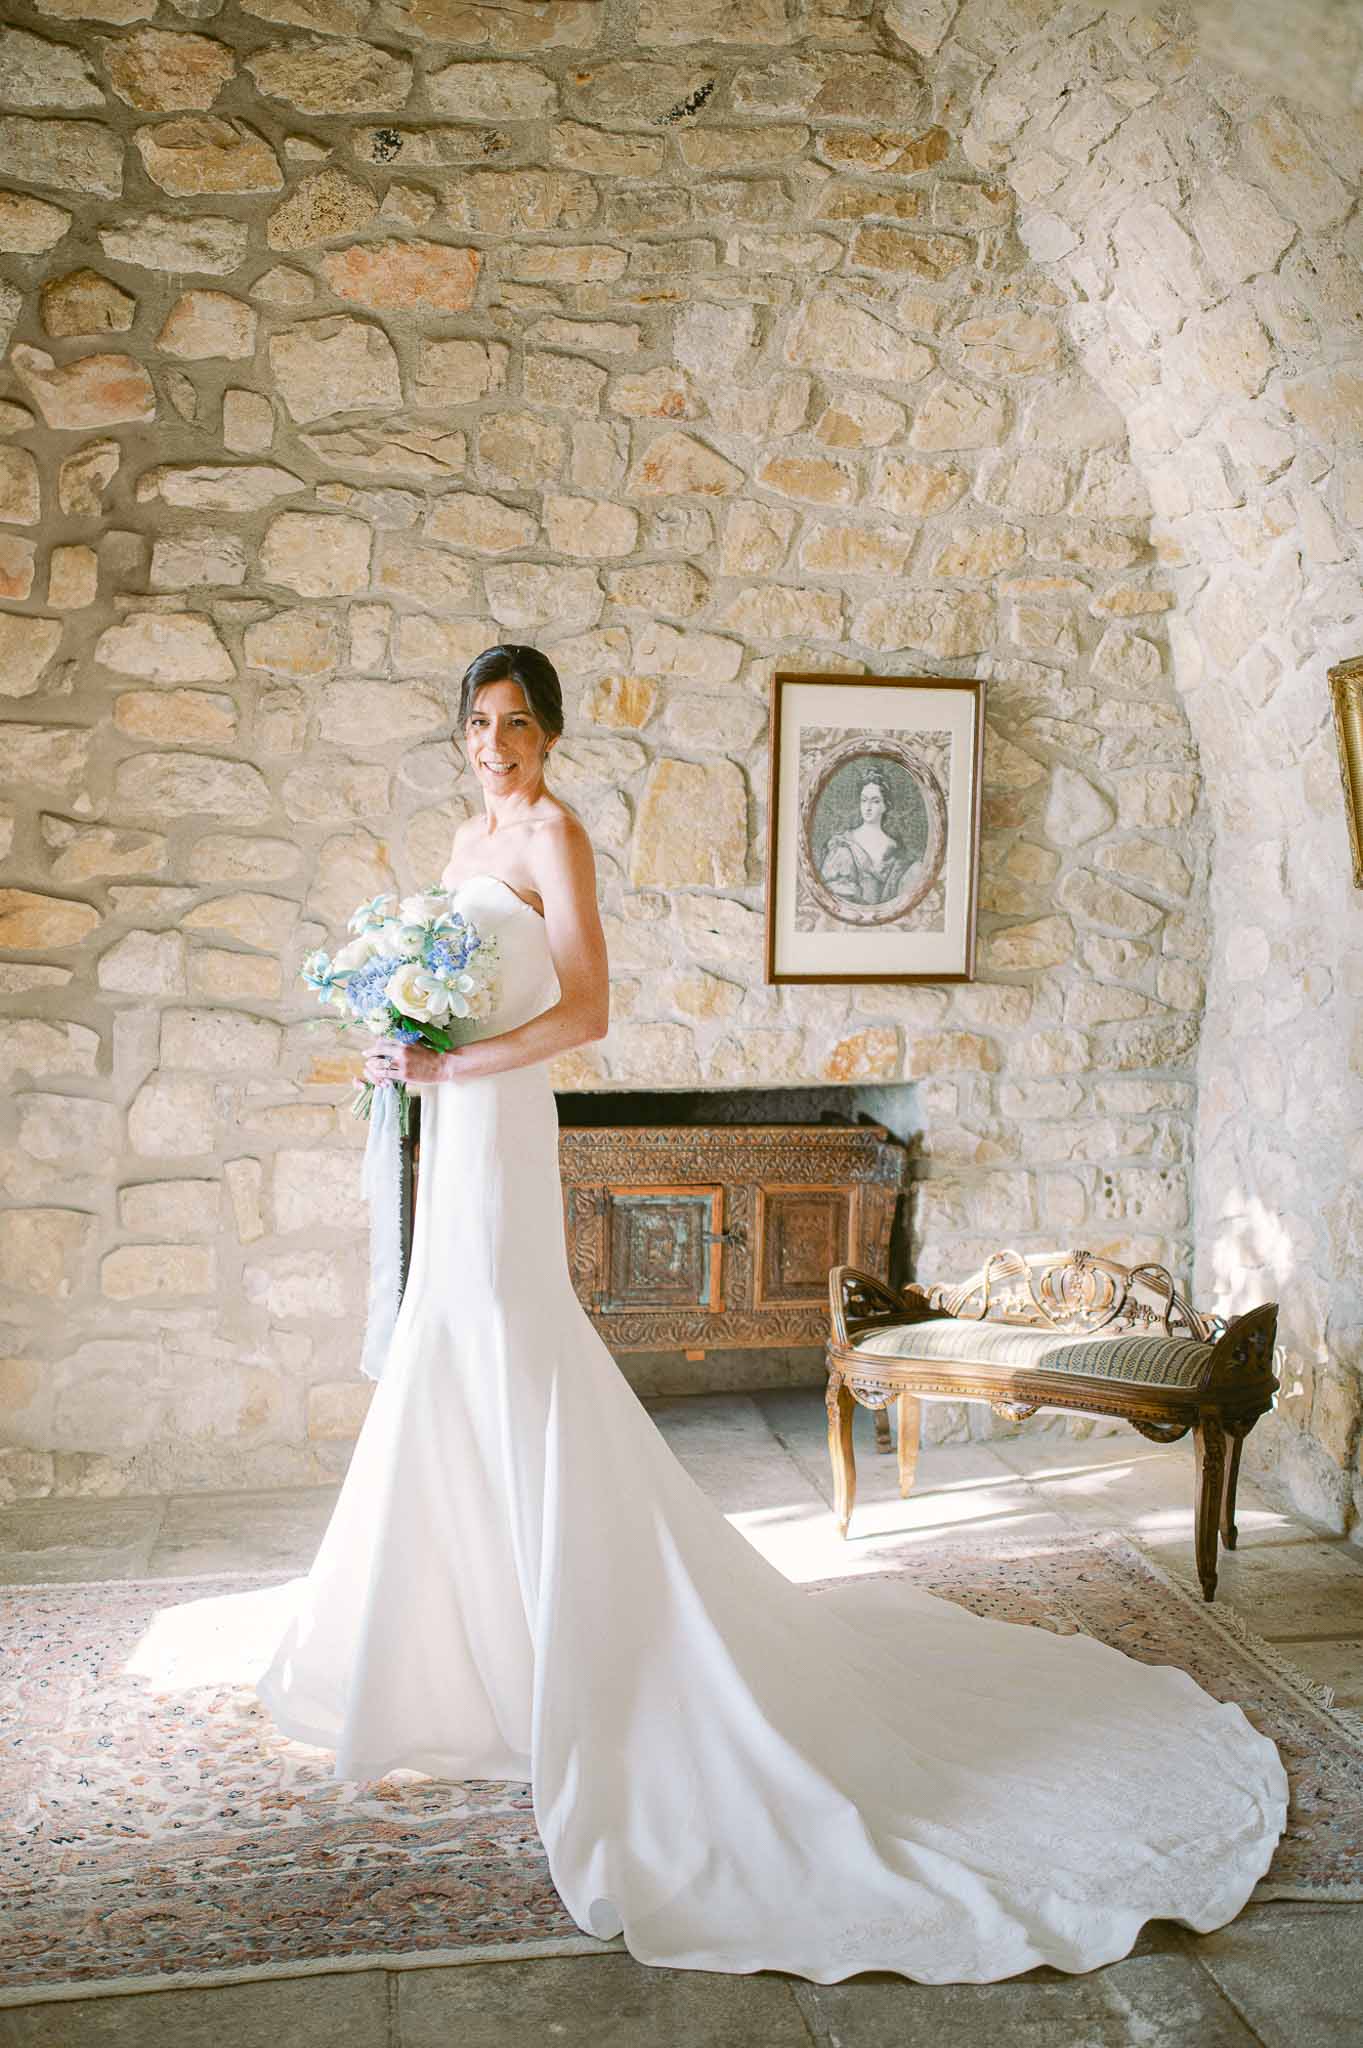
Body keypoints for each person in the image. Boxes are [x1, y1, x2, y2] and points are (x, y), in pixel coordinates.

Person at [255, 644, 1287, 1985]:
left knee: (511, 1337)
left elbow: (586, 1010)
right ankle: (464, 1651)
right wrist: (409, 1040)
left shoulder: (555, 834)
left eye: (514, 724)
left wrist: (459, 1055)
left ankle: (581, 1642)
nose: (492, 744)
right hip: (452, 1112)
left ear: (552, 736)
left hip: (502, 1111)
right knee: (449, 1344)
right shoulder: (466, 835)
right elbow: (455, 985)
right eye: (475, 723)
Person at [819, 766, 919, 908]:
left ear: (886, 805)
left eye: (875, 801)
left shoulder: (896, 848)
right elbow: (836, 899)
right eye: (864, 800)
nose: (868, 807)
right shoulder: (843, 845)